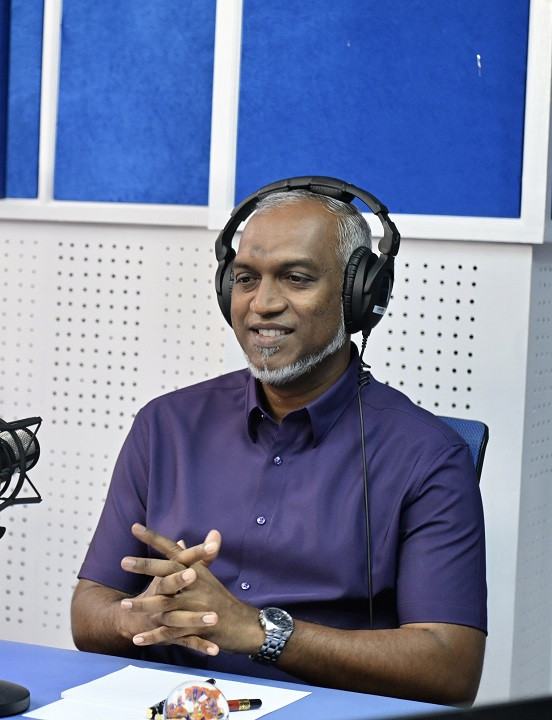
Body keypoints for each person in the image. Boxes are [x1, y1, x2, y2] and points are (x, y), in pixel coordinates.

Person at [70, 180, 486, 706]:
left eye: (296, 278)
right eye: (246, 279)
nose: (262, 304)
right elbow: (89, 615)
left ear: (361, 296)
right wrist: (138, 613)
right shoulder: (165, 425)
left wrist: (260, 631)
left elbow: (450, 668)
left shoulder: (427, 456)